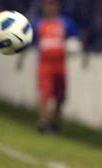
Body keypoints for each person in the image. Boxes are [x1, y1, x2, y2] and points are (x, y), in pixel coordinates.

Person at [20, 0, 80, 133]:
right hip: (45, 64)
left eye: (53, 4)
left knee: (60, 96)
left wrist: (74, 47)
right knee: (45, 94)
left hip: (60, 64)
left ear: (57, 6)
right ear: (43, 6)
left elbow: (76, 38)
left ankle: (55, 122)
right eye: (48, 4)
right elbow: (28, 40)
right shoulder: (38, 24)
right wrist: (21, 58)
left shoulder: (65, 23)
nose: (50, 7)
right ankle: (43, 122)